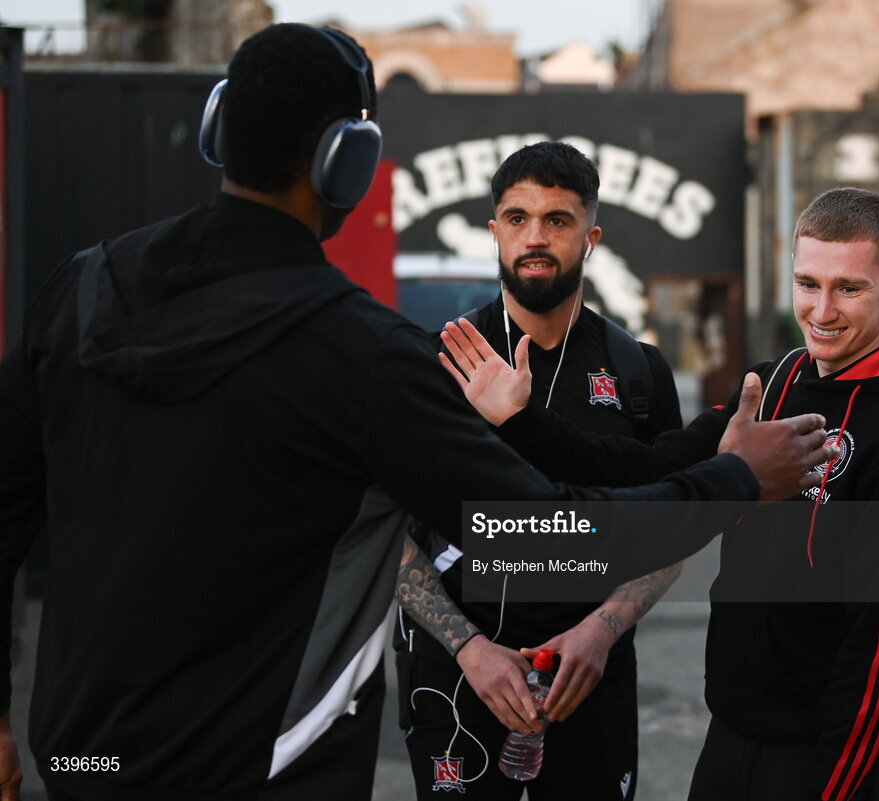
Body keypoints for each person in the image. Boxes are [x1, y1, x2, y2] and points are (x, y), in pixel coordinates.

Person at [0, 22, 837, 801]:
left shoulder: (79, 289)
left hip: (80, 755)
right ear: (347, 162)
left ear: (220, 128)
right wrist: (733, 477)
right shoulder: (365, 354)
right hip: (254, 762)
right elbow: (543, 529)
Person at [441, 187, 879, 801]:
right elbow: (650, 468)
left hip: (831, 759)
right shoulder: (774, 382)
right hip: (733, 738)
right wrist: (523, 421)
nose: (822, 312)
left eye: (848, 289)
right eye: (807, 284)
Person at [395, 141, 683, 800]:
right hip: (456, 671)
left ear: (591, 236)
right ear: (493, 231)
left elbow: (672, 527)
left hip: (588, 673)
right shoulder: (430, 367)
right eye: (517, 217)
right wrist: (469, 647)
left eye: (558, 219)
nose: (535, 236)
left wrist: (602, 628)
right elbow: (385, 534)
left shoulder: (638, 372)